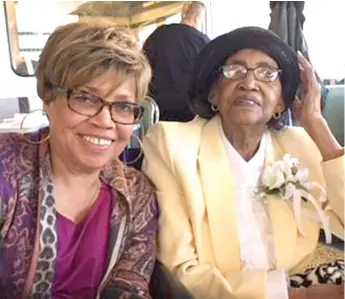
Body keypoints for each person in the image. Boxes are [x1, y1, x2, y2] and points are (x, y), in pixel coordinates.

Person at [142, 27, 344, 299]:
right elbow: (180, 272)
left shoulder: (301, 143)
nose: (249, 83)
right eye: (234, 70)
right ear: (213, 93)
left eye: (267, 74)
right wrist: (295, 295)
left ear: (281, 103)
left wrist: (317, 126)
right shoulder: (172, 145)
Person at [0, 21, 158, 299]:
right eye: (86, 98)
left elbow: (129, 286)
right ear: (48, 98)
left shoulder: (136, 193)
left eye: (122, 106)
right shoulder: (5, 167)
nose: (104, 121)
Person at [143, 1, 210, 122]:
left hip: (157, 109)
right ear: (197, 18)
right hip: (190, 112)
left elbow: (142, 66)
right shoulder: (204, 42)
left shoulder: (158, 34)